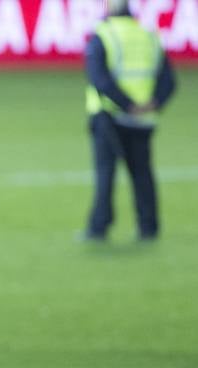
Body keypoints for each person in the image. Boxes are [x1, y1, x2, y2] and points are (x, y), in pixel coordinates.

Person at [81, 0, 177, 242]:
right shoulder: (149, 36)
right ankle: (149, 227)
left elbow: (98, 79)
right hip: (143, 120)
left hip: (109, 116)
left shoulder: (104, 35)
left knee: (106, 173)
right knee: (142, 174)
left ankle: (99, 227)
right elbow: (169, 80)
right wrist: (153, 102)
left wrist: (127, 104)